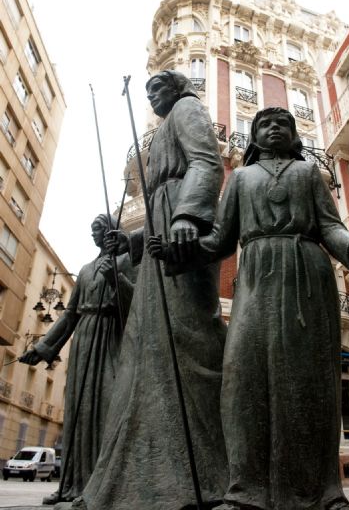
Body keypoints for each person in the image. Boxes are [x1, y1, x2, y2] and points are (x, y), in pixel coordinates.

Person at [150, 107, 349, 510]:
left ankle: (324, 493)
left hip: (306, 274)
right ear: (254, 137)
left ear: (294, 136)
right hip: (255, 278)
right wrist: (178, 253)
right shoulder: (239, 178)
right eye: (265, 124)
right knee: (242, 378)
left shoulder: (309, 175)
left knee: (310, 383)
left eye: (283, 125)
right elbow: (221, 239)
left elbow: (330, 228)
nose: (275, 128)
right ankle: (245, 491)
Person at [74, 71, 228, 510]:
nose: (151, 95)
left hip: (184, 231)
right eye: (147, 92)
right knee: (150, 346)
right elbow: (161, 200)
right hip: (164, 223)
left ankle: (205, 468)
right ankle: (154, 465)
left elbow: (207, 163)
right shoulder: (164, 128)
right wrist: (134, 242)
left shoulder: (187, 108)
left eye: (158, 87)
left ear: (178, 88)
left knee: (188, 338)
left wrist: (187, 219)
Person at [20, 214, 136, 504]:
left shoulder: (128, 263)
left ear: (112, 232)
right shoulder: (84, 271)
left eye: (99, 230)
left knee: (107, 409)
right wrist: (44, 347)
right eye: (92, 231)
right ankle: (69, 485)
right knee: (78, 410)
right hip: (85, 337)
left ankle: (102, 486)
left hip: (112, 337)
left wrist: (116, 278)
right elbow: (70, 314)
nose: (95, 235)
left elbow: (136, 304)